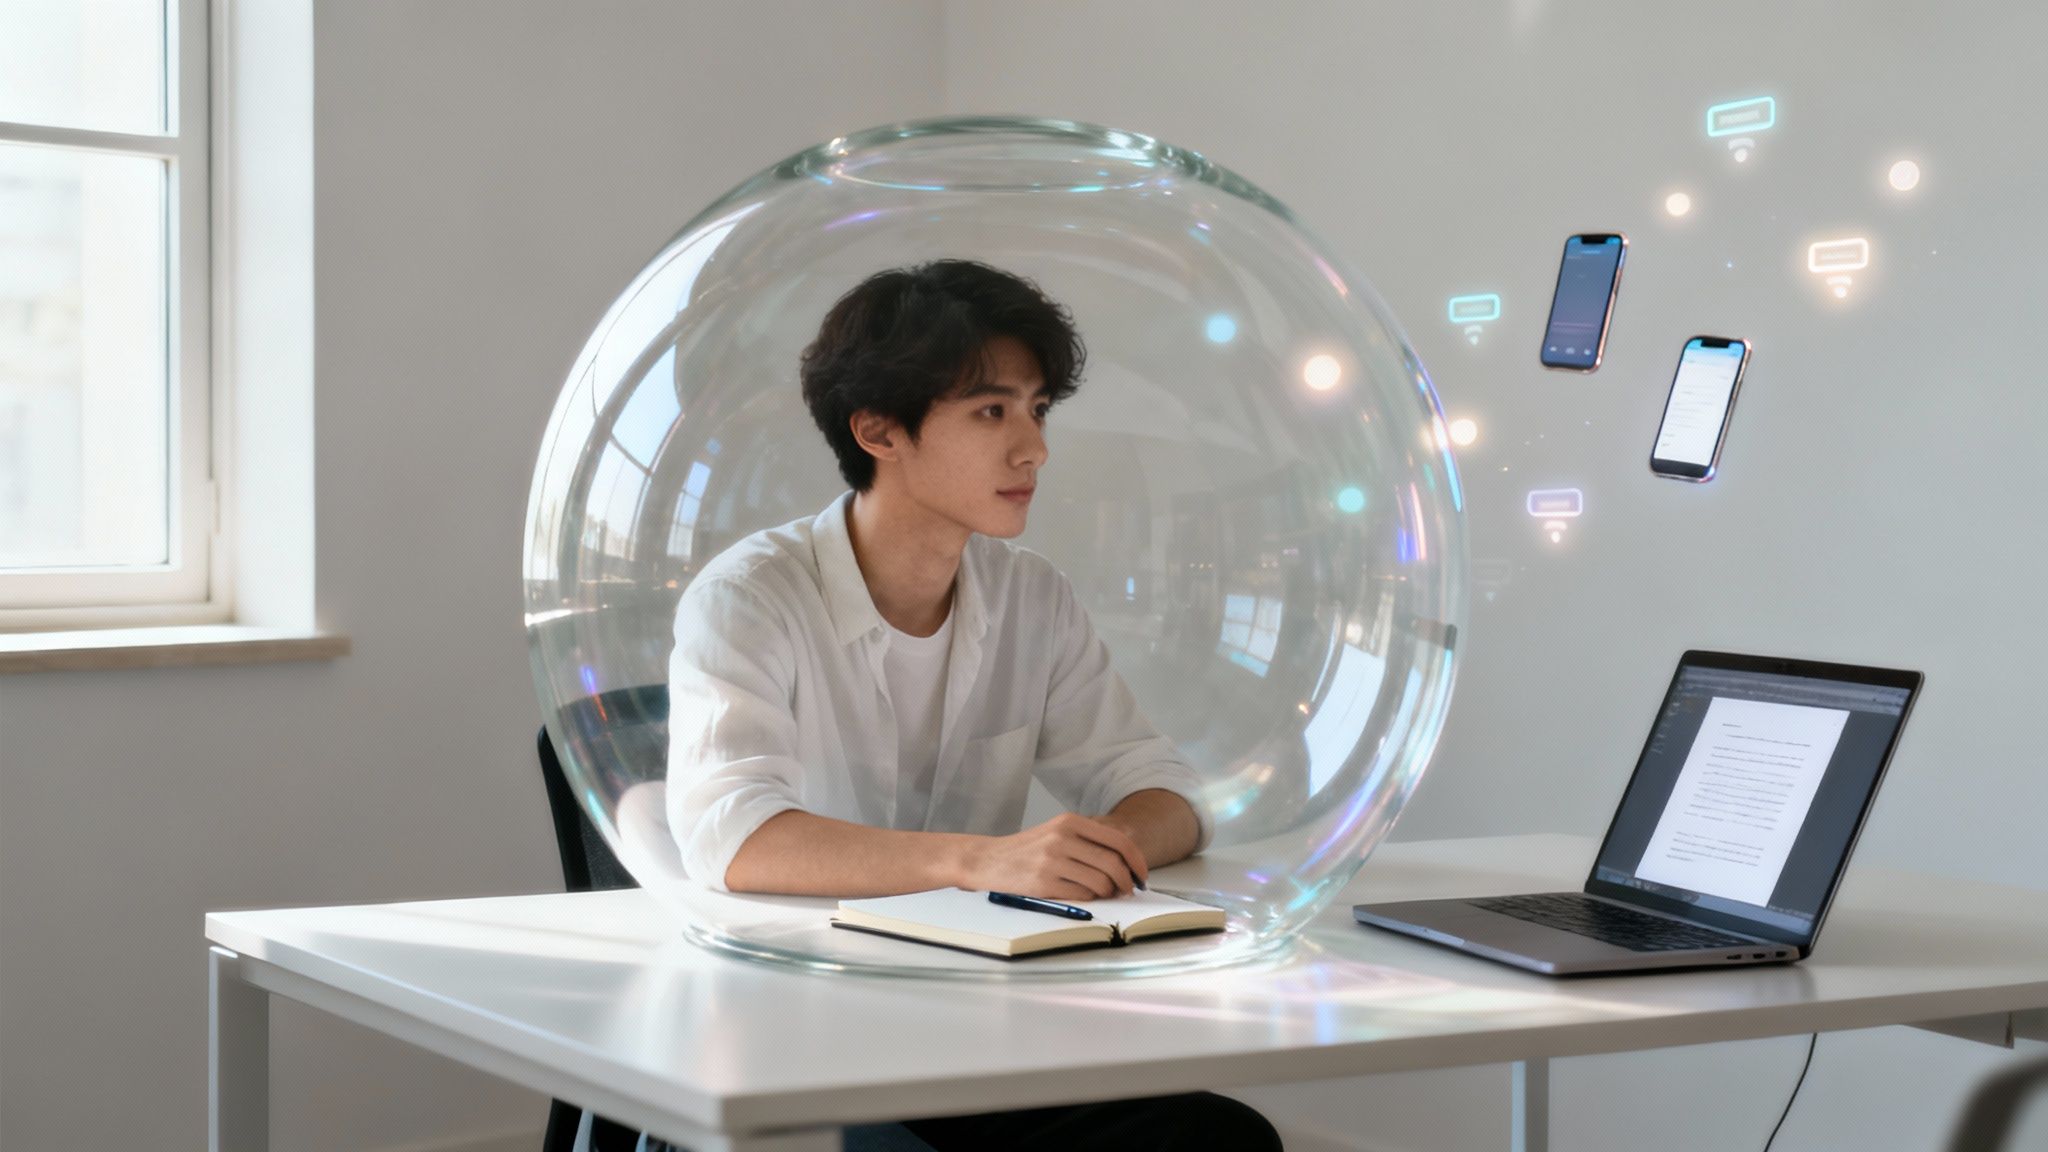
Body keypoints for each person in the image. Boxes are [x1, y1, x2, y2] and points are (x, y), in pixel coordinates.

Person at [663, 259, 1281, 1151]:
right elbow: (735, 837)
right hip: (797, 1025)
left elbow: (1163, 789)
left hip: (981, 1016)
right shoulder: (749, 597)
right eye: (992, 411)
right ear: (878, 431)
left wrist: (1098, 853)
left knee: (1215, 1136)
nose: (1032, 448)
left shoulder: (1033, 596)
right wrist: (990, 861)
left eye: (1037, 410)